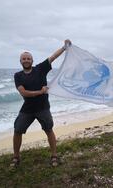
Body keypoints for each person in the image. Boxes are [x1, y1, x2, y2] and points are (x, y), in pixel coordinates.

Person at [11, 39, 72, 167]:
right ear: (20, 61)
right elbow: (23, 93)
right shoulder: (18, 76)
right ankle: (16, 157)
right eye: (24, 59)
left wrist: (64, 47)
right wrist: (40, 91)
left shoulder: (40, 69)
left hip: (43, 108)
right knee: (17, 131)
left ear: (32, 61)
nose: (26, 60)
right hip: (27, 109)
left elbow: (53, 57)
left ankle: (54, 156)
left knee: (49, 130)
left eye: (28, 58)